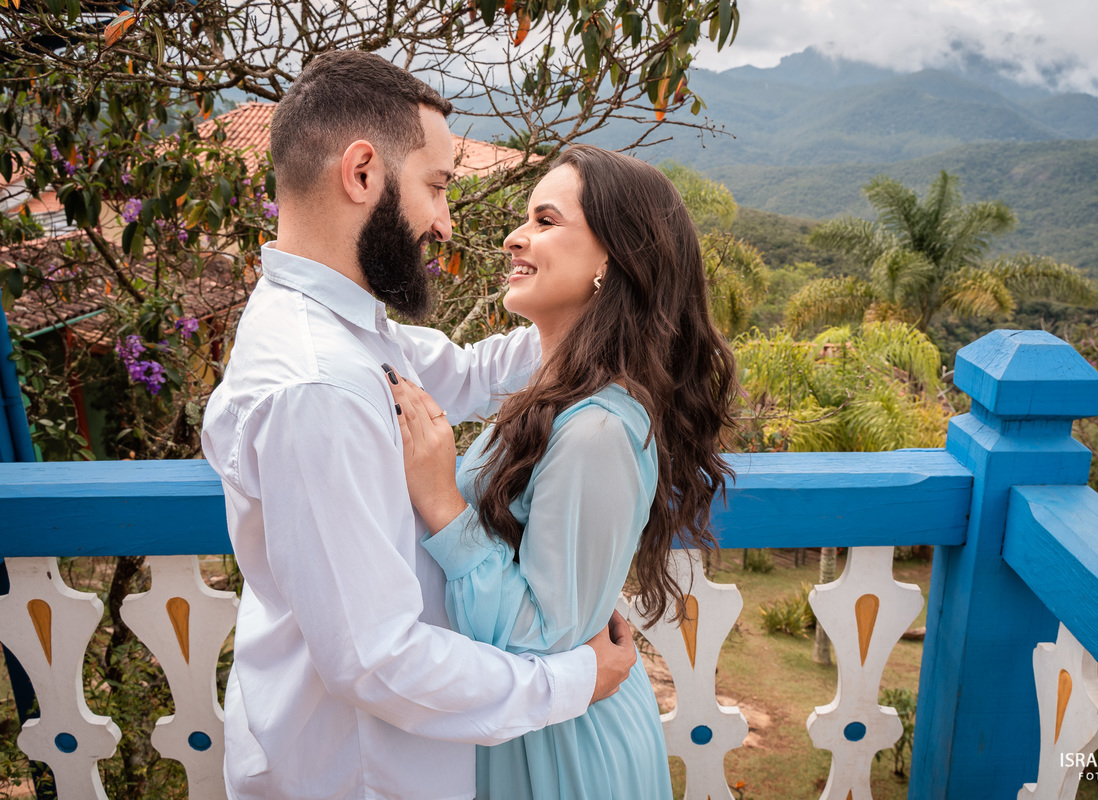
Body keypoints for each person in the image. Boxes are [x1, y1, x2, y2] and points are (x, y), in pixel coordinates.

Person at [200, 52, 637, 800]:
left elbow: (467, 373)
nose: (444, 220)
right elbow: (377, 659)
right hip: (361, 771)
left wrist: (596, 315)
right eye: (435, 186)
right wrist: (573, 678)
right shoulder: (320, 386)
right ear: (363, 172)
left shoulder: (345, 325)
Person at [388, 144, 739, 799]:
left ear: (612, 257)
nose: (515, 238)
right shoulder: (556, 388)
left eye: (545, 221)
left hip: (565, 756)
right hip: (528, 731)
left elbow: (541, 639)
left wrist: (442, 502)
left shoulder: (598, 431)